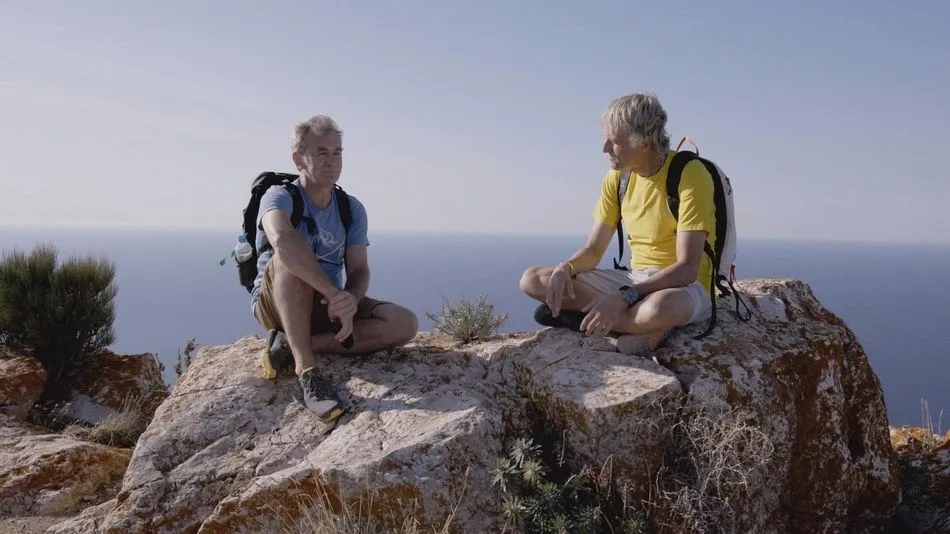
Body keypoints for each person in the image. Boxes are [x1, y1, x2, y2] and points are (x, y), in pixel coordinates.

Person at [519, 92, 716, 355]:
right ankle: (631, 325)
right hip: (636, 277)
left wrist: (625, 297)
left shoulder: (690, 174)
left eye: (614, 141)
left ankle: (597, 319)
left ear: (644, 142)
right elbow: (593, 250)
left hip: (683, 288)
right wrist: (565, 269)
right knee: (533, 280)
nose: (605, 149)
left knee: (659, 308)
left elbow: (687, 269)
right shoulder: (618, 179)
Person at [251, 114, 418, 422]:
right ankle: (308, 370)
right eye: (321, 153)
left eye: (337, 152)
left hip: (327, 304)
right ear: (299, 159)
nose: (332, 161)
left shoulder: (350, 208)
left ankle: (290, 345)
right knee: (292, 258)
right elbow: (282, 239)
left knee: (404, 323)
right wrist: (332, 292)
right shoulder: (280, 196)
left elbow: (359, 269)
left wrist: (350, 299)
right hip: (277, 301)